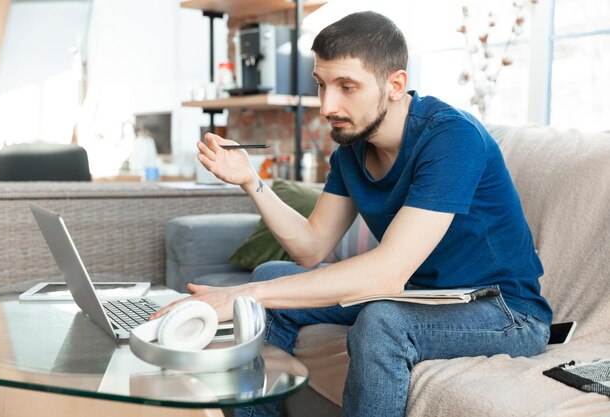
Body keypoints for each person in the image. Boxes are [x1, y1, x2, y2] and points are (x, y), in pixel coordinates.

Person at [153, 11, 552, 417]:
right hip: (420, 296)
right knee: (269, 276)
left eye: (347, 86)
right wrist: (251, 181)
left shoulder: (452, 137)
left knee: (382, 322)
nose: (327, 105)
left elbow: (386, 273)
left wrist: (240, 295)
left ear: (395, 84)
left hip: (503, 310)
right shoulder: (351, 151)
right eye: (322, 85)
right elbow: (310, 248)